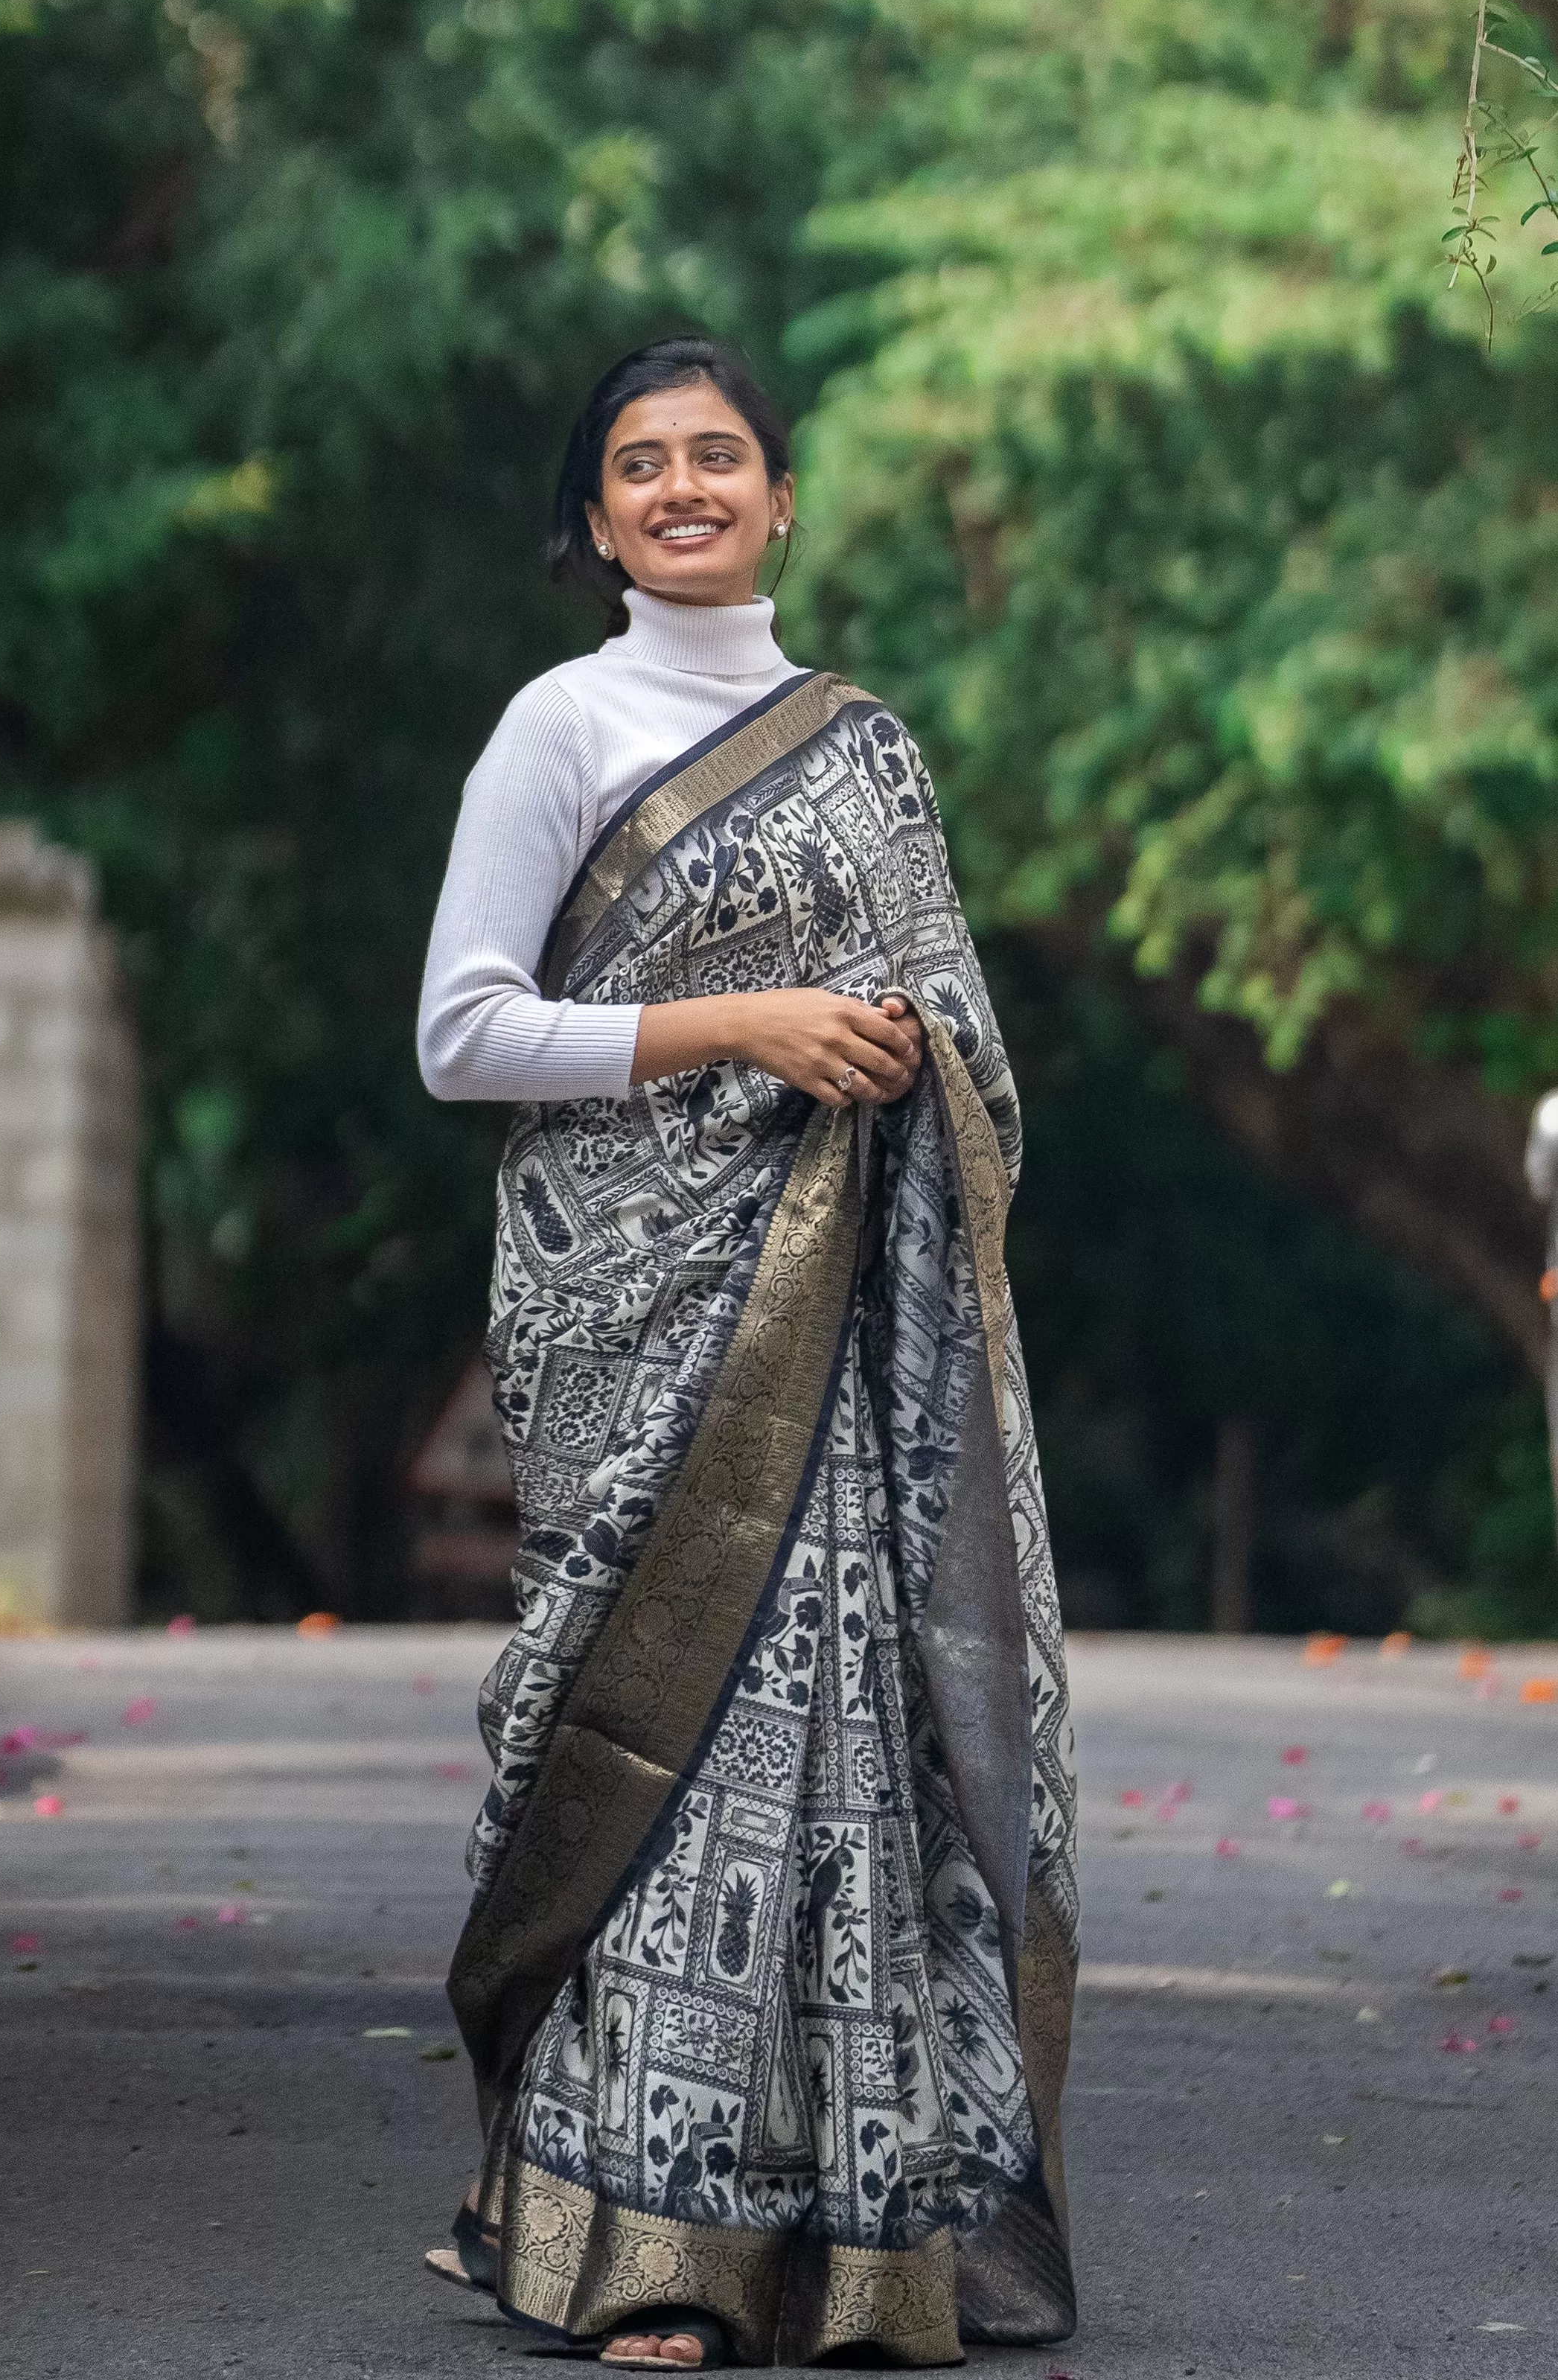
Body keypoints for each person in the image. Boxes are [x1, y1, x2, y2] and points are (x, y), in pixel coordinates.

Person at [413, 339, 1078, 2370]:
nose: (683, 488)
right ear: (595, 521)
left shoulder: (867, 749)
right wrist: (741, 1027)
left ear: (782, 499)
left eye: (718, 457)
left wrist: (896, 1060)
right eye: (641, 465)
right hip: (637, 1333)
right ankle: (646, 2256)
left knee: (849, 1762)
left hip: (850, 1359)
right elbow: (462, 1033)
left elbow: (972, 1055)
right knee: (658, 1752)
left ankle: (881, 2244)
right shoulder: (559, 730)